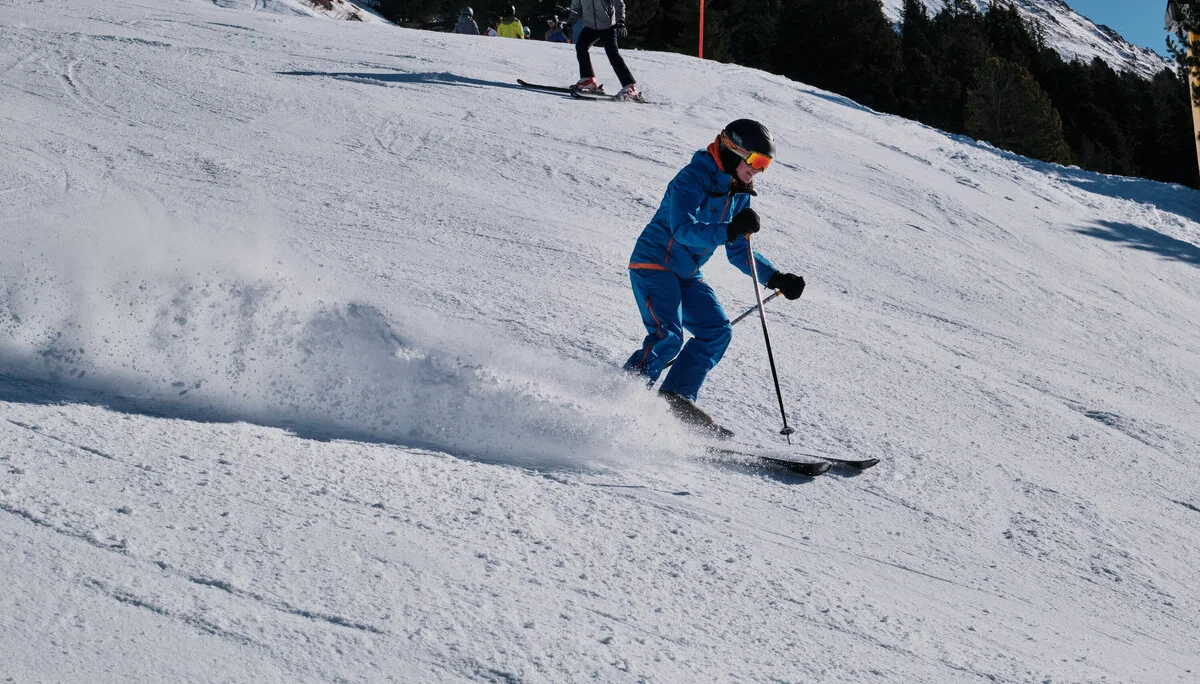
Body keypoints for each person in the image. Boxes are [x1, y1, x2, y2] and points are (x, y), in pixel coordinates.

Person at [623, 120, 807, 438]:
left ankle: (675, 398)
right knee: (668, 337)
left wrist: (775, 277)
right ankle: (622, 399)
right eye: (757, 161)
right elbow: (683, 229)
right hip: (653, 264)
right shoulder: (691, 179)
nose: (760, 170)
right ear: (734, 151)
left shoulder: (738, 194)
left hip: (686, 273)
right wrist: (729, 229)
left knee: (716, 331)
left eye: (766, 164)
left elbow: (737, 252)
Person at [567, 0, 639, 100]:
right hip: (590, 27)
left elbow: (619, 4)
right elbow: (576, 9)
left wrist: (620, 21)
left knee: (613, 54)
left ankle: (630, 86)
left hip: (608, 26)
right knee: (581, 47)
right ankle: (589, 80)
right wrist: (570, 23)